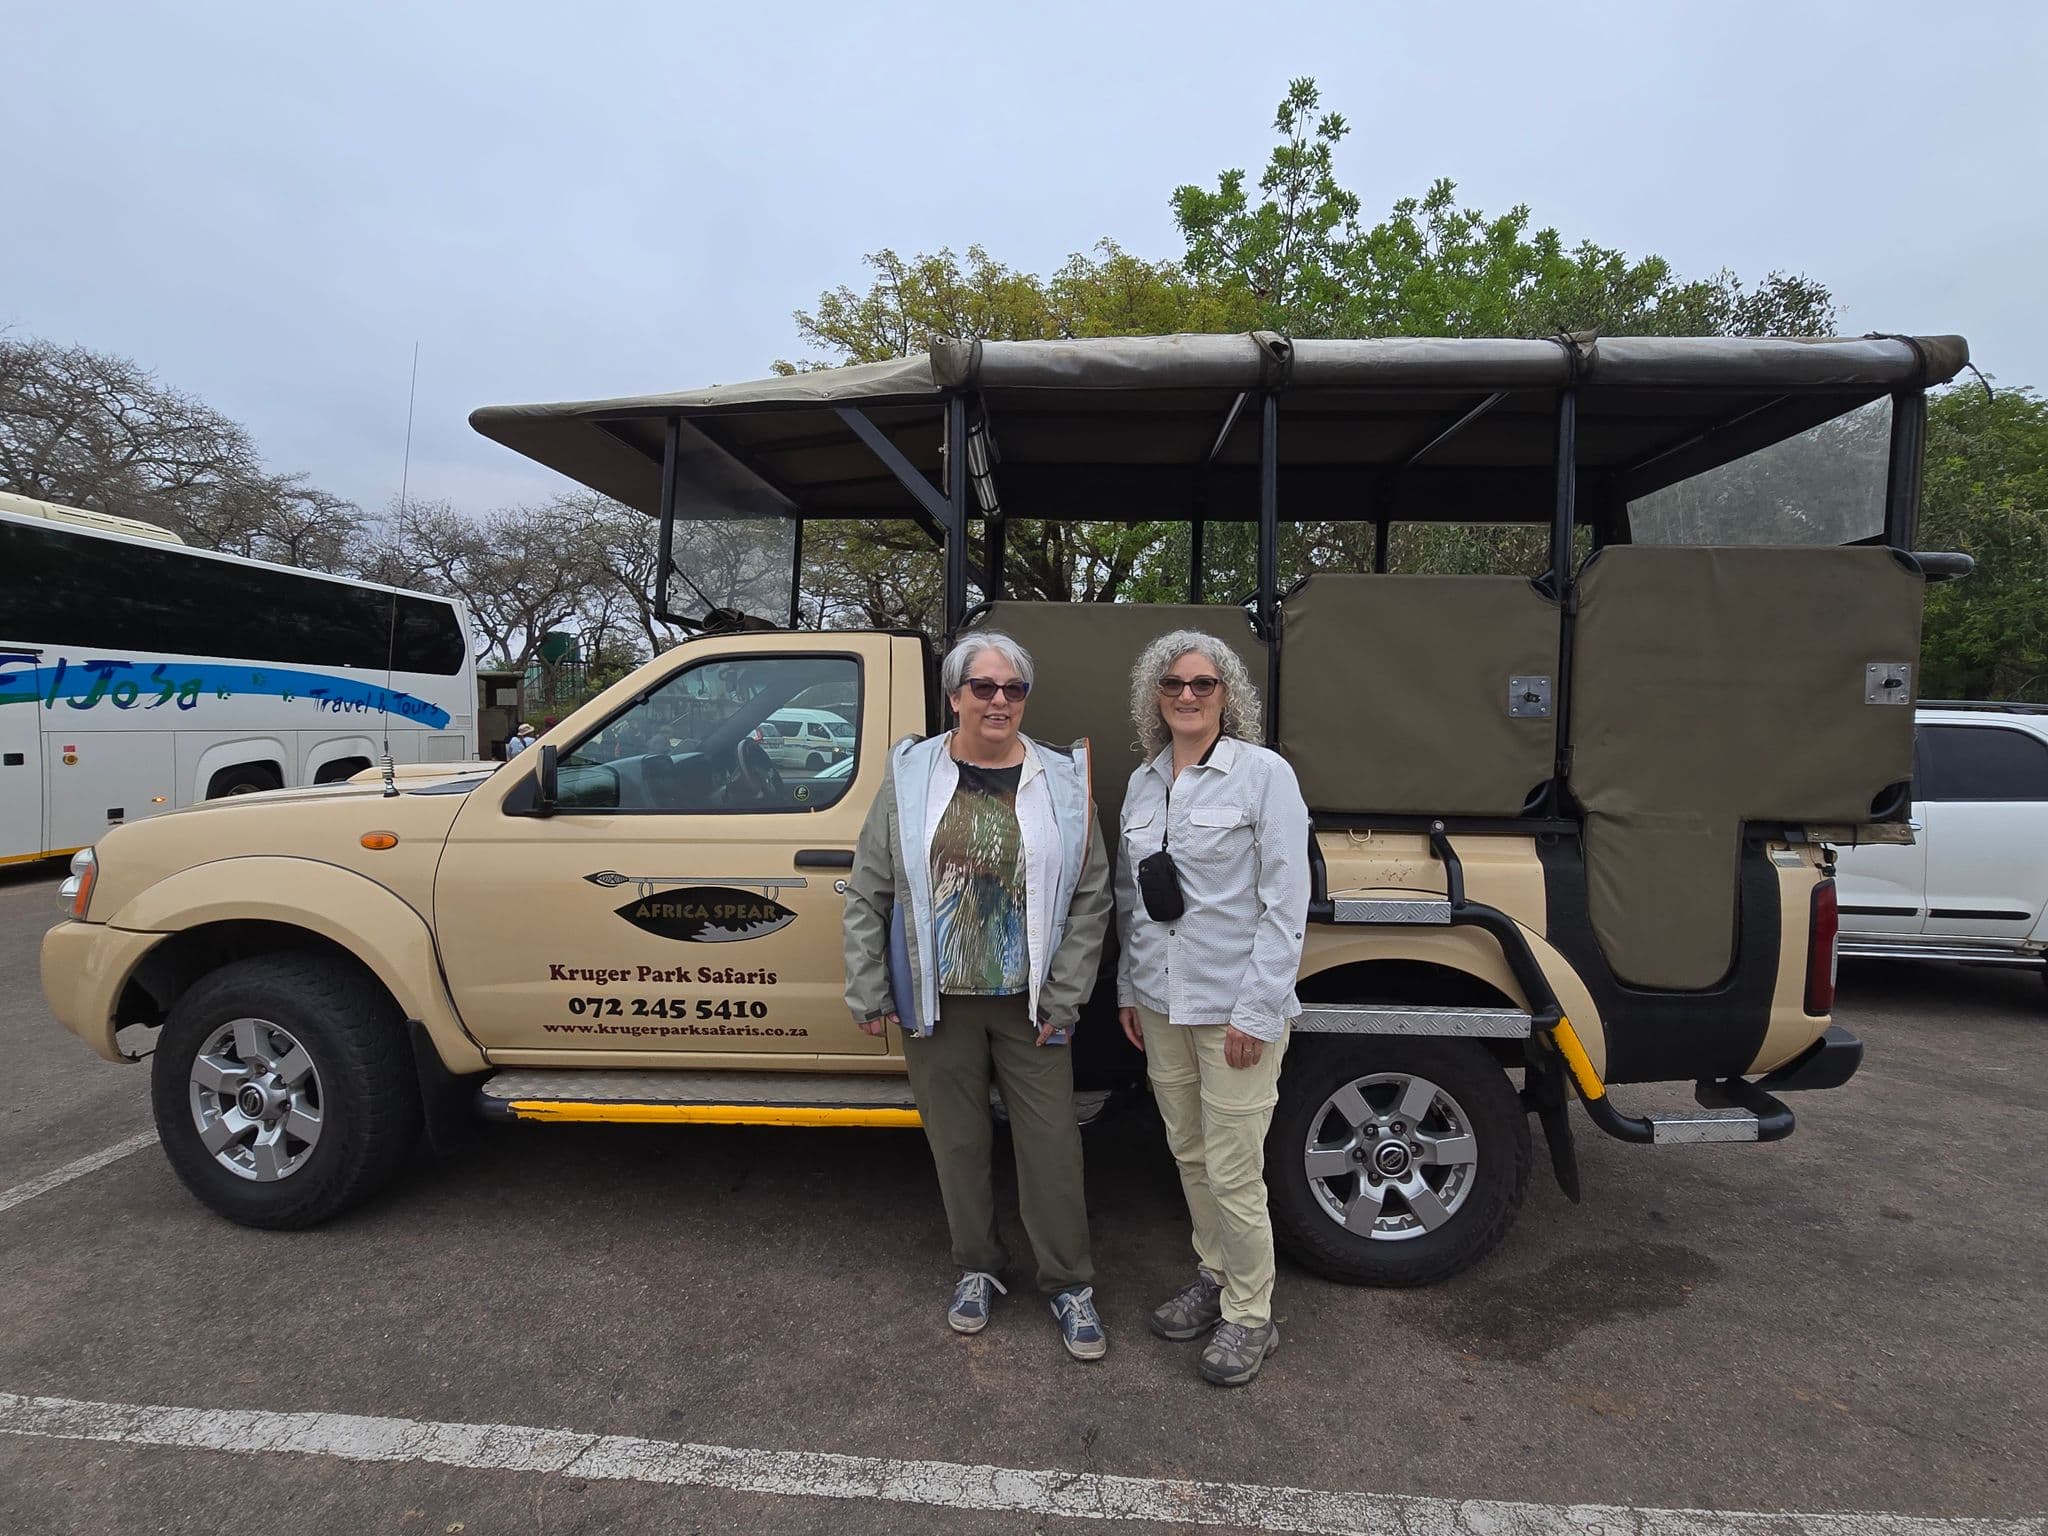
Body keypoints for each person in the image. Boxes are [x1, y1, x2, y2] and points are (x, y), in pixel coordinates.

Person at [843, 632, 1114, 1361]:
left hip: (1031, 1003)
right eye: (984, 687)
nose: (999, 701)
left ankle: (1068, 1282)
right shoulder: (910, 776)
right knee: (957, 1144)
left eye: (1014, 689)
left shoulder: (1060, 779)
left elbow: (1091, 896)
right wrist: (869, 987)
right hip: (937, 1003)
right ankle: (977, 1268)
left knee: (1052, 1146)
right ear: (955, 695)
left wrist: (1065, 995)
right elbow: (869, 890)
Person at [1115, 630, 1310, 1387]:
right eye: (1173, 684)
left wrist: (1257, 1012)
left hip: (1236, 1009)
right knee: (1190, 1155)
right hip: (1163, 1005)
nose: (1188, 695)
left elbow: (1285, 904)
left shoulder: (1263, 777)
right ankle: (1215, 1276)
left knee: (1234, 1167)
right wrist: (1131, 991)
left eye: (1204, 683)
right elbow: (1136, 901)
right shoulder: (1142, 784)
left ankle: (1251, 1316)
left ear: (1228, 694)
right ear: (1153, 696)